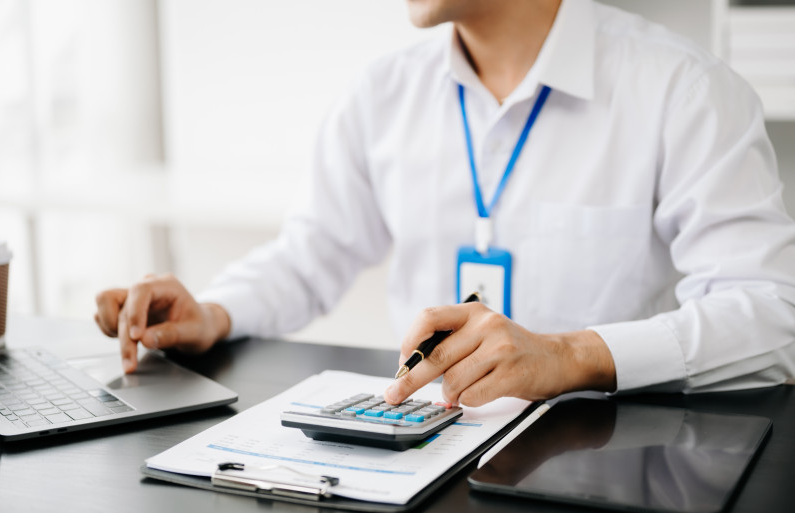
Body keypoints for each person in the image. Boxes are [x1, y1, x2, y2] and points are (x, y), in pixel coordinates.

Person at [94, 0, 795, 407]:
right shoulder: (383, 94)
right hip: (423, 453)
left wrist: (570, 354)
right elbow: (313, 253)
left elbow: (773, 316)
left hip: (614, 473)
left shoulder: (684, 90)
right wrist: (214, 311)